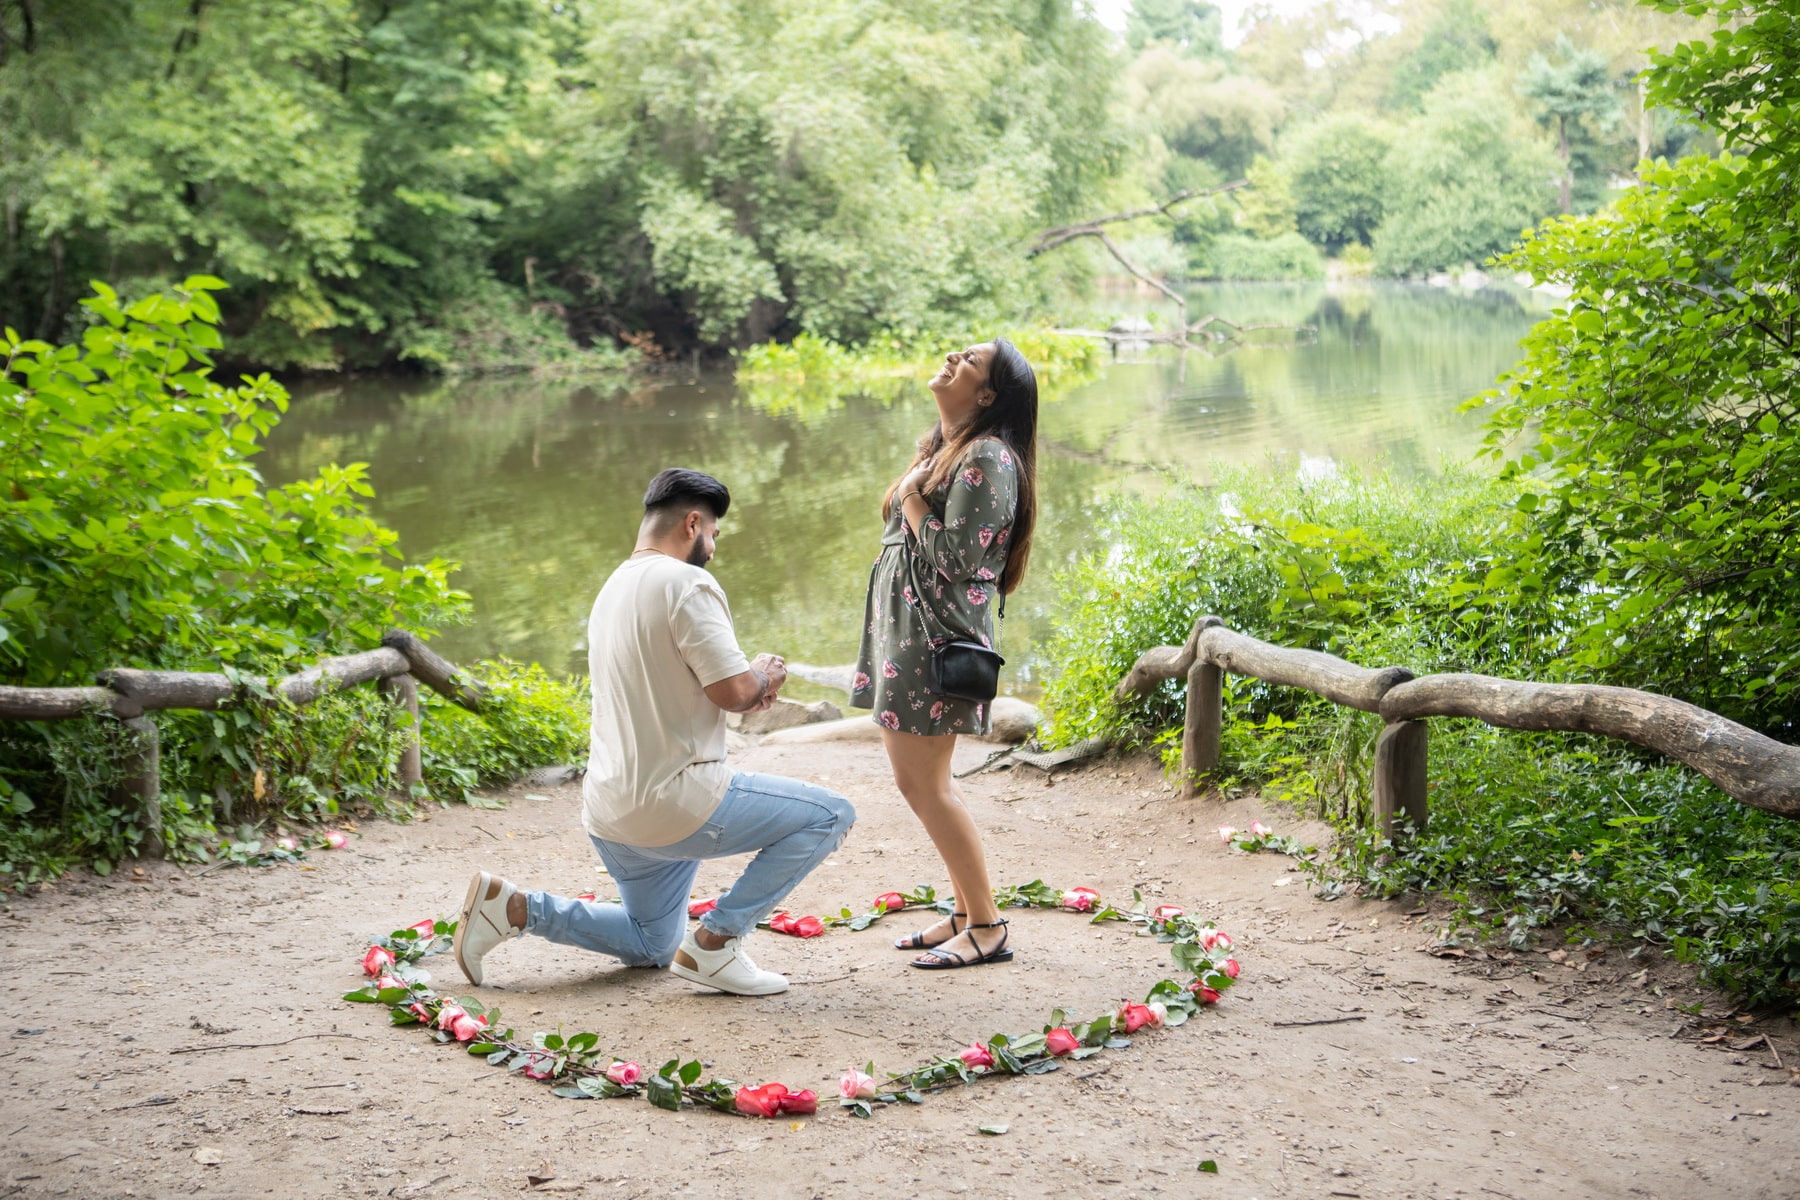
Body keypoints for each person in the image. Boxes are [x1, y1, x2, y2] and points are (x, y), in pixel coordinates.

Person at [453, 468, 855, 996]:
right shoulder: (688, 584)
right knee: (831, 814)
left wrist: (750, 688)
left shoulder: (612, 588)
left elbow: (684, 690)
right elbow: (734, 693)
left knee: (650, 943)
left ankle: (514, 908)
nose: (713, 549)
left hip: (610, 813)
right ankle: (718, 943)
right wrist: (765, 674)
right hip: (678, 805)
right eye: (713, 534)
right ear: (693, 524)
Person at [852, 338, 1038, 969]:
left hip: (933, 640)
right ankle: (964, 911)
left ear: (987, 395)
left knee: (923, 786)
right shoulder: (947, 447)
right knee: (929, 783)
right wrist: (916, 481)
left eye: (972, 361)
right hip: (909, 634)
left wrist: (909, 494)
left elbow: (960, 559)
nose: (955, 359)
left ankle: (986, 925)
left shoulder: (988, 454)